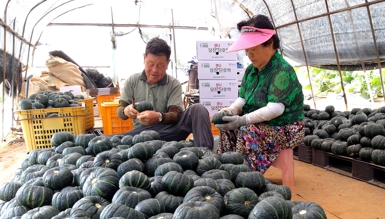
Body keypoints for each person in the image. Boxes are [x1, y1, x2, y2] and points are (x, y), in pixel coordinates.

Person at [214, 14, 305, 173]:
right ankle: (226, 170)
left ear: (269, 43)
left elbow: (275, 109)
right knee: (227, 126)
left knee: (248, 130)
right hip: (259, 123)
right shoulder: (251, 70)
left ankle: (245, 176)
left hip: (286, 127)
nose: (250, 55)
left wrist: (242, 120)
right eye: (247, 50)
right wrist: (232, 110)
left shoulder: (281, 71)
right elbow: (243, 98)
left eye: (254, 49)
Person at [117, 37, 213, 150]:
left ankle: (206, 155)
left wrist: (158, 117)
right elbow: (120, 111)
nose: (154, 70)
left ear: (167, 63)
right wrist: (126, 111)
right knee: (113, 140)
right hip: (142, 134)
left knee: (198, 108)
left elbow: (176, 114)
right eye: (150, 64)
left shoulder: (173, 84)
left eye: (160, 66)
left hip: (169, 132)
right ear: (144, 58)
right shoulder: (132, 81)